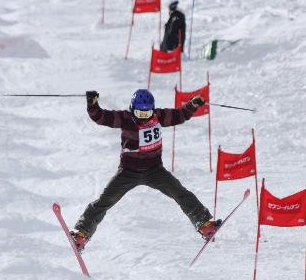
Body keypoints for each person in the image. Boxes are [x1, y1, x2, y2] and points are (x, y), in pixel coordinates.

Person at [70, 89, 222, 252]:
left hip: (155, 171)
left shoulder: (158, 116)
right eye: (139, 113)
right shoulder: (125, 118)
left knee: (181, 193)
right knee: (104, 201)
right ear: (132, 109)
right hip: (128, 172)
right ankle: (81, 234)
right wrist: (92, 104)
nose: (143, 117)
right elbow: (101, 117)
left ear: (152, 110)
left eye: (147, 113)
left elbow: (179, 115)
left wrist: (192, 105)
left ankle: (204, 224)